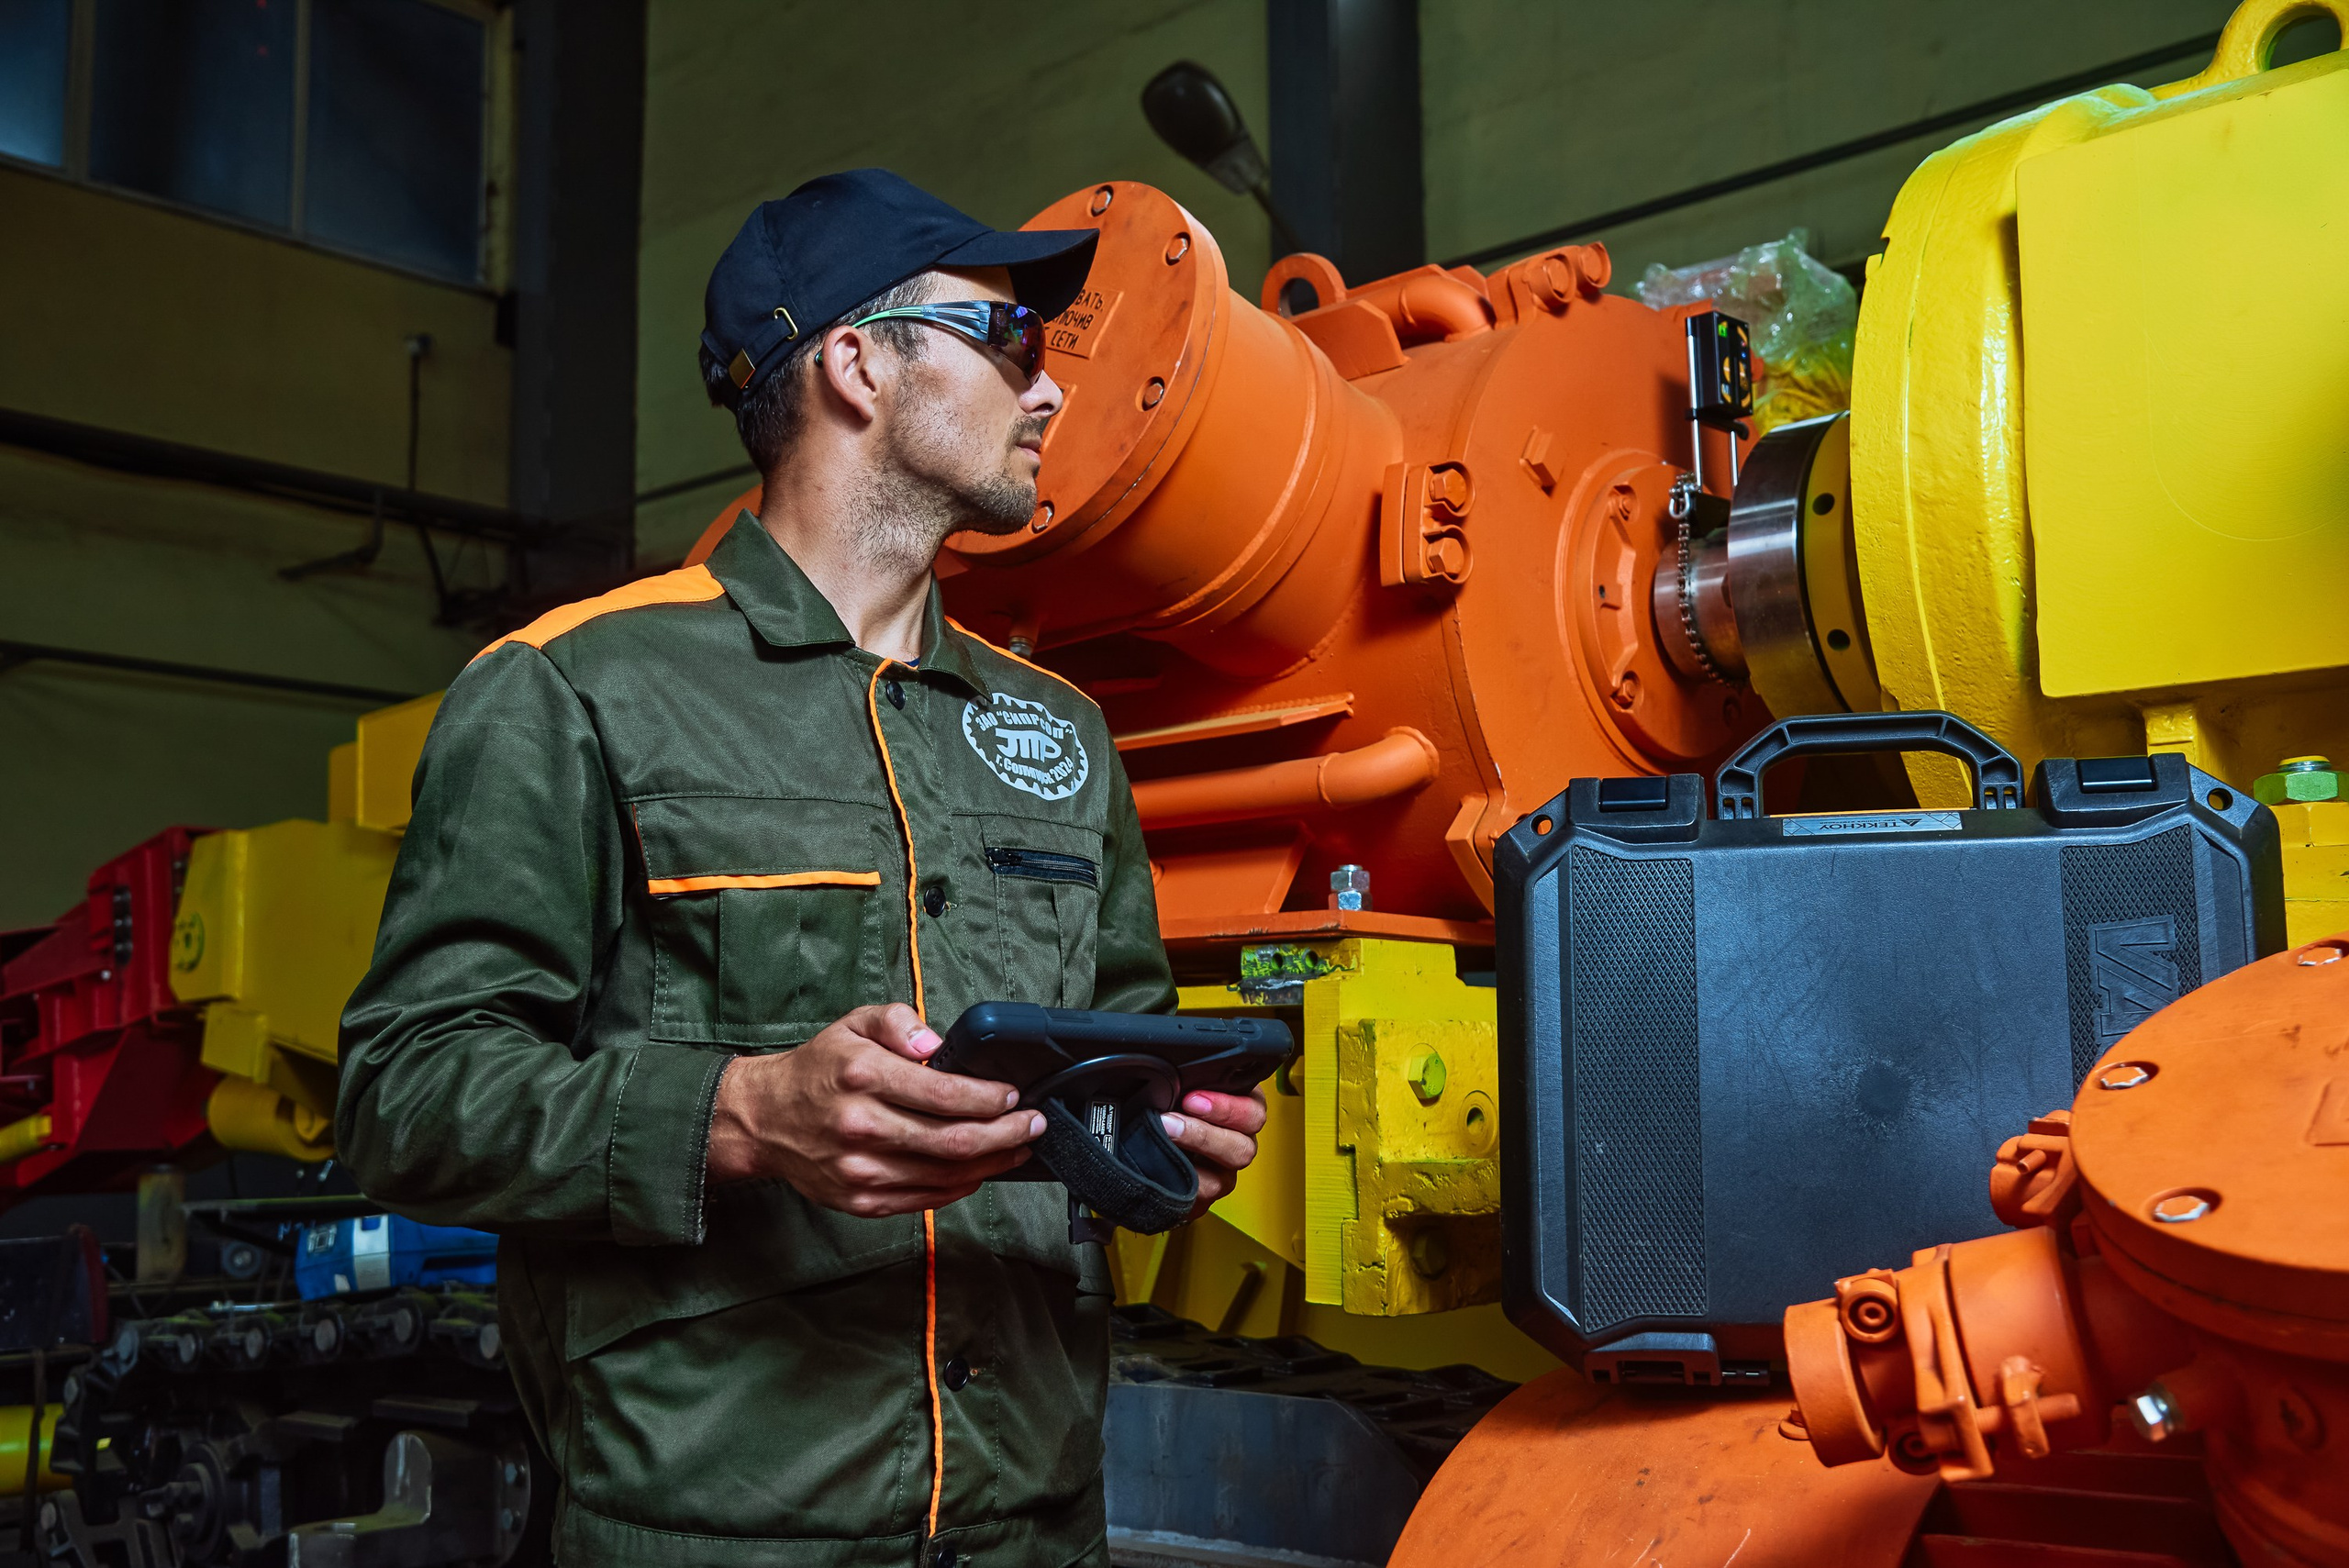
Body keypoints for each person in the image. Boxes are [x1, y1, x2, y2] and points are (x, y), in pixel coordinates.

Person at [338, 169, 1265, 1568]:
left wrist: (1163, 1144)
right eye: (1006, 338)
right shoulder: (574, 689)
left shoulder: (1059, 734)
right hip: (716, 1526)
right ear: (854, 361)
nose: (1050, 391)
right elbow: (402, 1093)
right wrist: (742, 1113)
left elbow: (1107, 1076)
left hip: (1035, 1525)